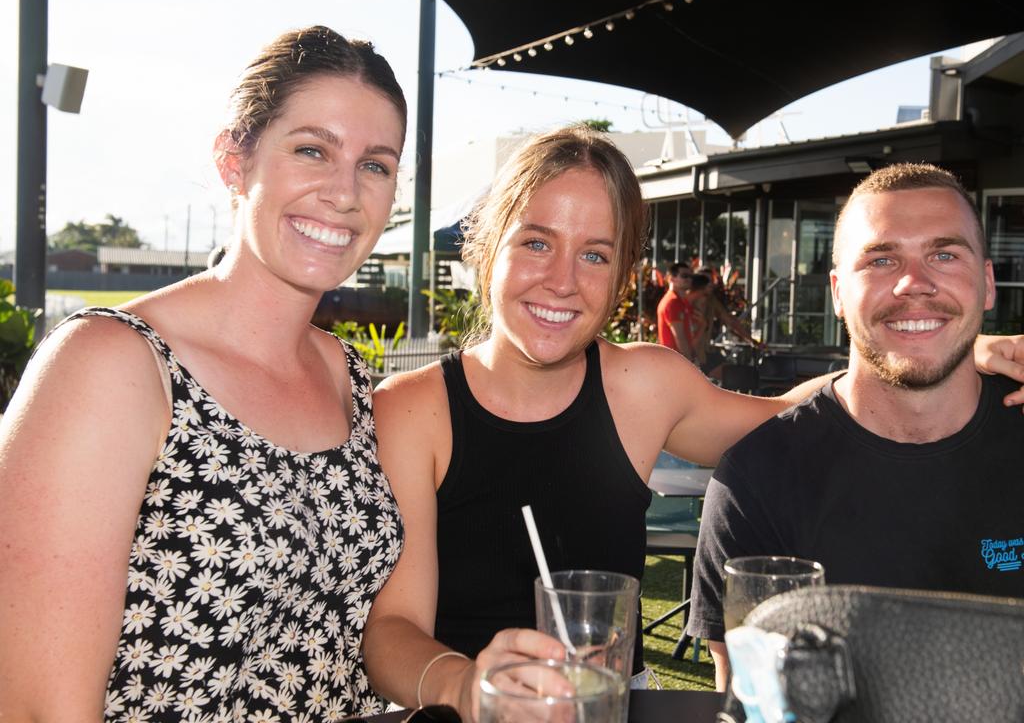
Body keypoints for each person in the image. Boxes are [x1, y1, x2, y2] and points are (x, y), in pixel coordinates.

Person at [362, 130, 1024, 721]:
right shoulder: (415, 408)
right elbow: (391, 629)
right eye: (536, 242)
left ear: (623, 277)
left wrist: (949, 350)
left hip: (613, 704)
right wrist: (469, 686)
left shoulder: (643, 385)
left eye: (594, 255)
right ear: (486, 252)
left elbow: (796, 419)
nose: (562, 281)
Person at [0, 26, 407, 720]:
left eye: (375, 164)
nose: (345, 192)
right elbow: (39, 707)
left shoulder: (351, 377)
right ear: (233, 160)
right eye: (312, 150)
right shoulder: (111, 363)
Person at [686, 163, 1024, 691]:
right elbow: (755, 703)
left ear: (986, 284)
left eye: (944, 254)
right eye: (882, 259)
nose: (914, 282)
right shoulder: (758, 478)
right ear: (839, 294)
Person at [656, 261, 697, 357]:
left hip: (675, 360)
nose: (689, 279)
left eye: (691, 276)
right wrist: (690, 363)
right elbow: (680, 338)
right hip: (675, 361)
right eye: (684, 276)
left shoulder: (680, 301)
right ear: (671, 278)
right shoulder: (673, 302)